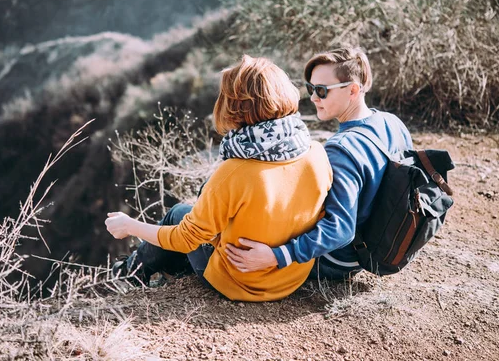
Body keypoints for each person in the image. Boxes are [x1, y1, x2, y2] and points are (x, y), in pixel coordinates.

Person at [105, 55, 333, 302]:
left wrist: (129, 226)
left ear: (235, 106)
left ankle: (126, 275)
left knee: (178, 214)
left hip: (240, 282)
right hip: (290, 277)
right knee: (199, 217)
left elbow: (186, 239)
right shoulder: (317, 152)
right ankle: (162, 272)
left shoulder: (235, 172)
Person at [225, 47, 413, 281]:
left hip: (336, 259)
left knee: (184, 217)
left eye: (322, 91)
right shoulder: (392, 122)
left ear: (353, 90)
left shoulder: (340, 150)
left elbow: (341, 230)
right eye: (311, 88)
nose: (313, 97)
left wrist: (277, 255)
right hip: (375, 245)